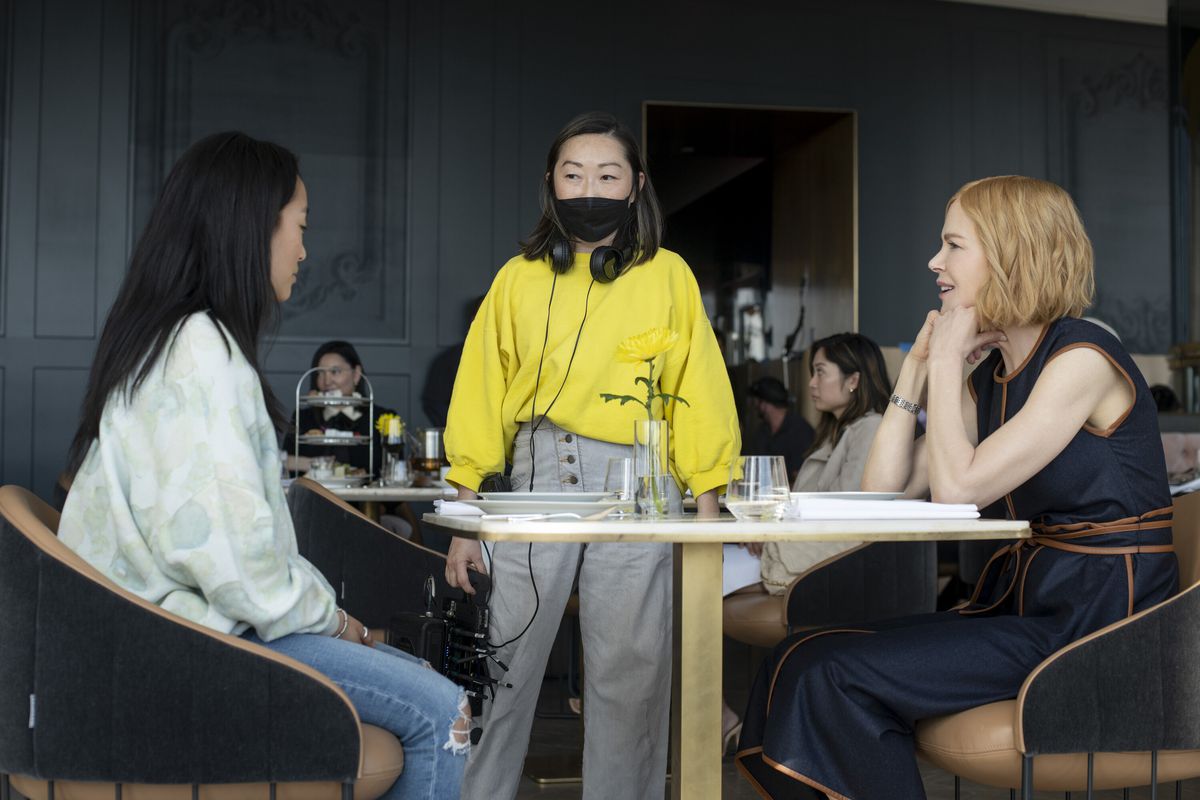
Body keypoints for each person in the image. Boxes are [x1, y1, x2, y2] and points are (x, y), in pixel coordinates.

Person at [735, 175, 1178, 799]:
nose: (934, 262)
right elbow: (883, 490)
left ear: (1012, 253)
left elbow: (954, 491)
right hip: (1034, 604)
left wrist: (946, 362)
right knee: (798, 657)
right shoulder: (992, 372)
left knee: (831, 672)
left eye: (952, 246)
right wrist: (916, 367)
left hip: (1104, 624)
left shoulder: (1083, 358)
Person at [57, 131, 467, 800]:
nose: (305, 250)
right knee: (442, 709)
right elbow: (237, 568)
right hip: (191, 648)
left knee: (405, 674)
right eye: (299, 227)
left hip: (159, 635)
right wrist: (340, 623)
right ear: (251, 229)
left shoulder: (173, 338)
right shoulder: (201, 353)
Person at [442, 111, 740, 800]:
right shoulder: (517, 279)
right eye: (574, 174)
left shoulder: (669, 276)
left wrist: (706, 506)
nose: (590, 188)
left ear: (636, 186)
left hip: (639, 480)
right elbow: (481, 394)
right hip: (536, 475)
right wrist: (464, 521)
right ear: (551, 184)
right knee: (503, 668)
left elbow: (696, 387)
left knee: (630, 677)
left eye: (607, 174)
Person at [721, 332, 890, 751]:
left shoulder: (868, 431)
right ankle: (712, 719)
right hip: (793, 551)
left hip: (814, 565)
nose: (811, 384)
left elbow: (847, 517)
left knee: (678, 584)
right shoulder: (835, 432)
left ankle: (712, 719)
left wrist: (770, 534)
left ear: (853, 380)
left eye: (819, 372)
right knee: (678, 582)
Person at [284, 340, 393, 476]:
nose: (327, 381)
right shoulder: (303, 418)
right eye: (320, 373)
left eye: (335, 372)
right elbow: (286, 470)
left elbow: (393, 470)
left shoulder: (383, 419)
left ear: (356, 374)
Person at [744, 375, 814, 483]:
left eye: (756, 401)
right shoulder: (761, 432)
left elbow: (803, 480)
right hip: (764, 495)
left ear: (765, 403)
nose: (755, 406)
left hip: (792, 496)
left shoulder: (800, 430)